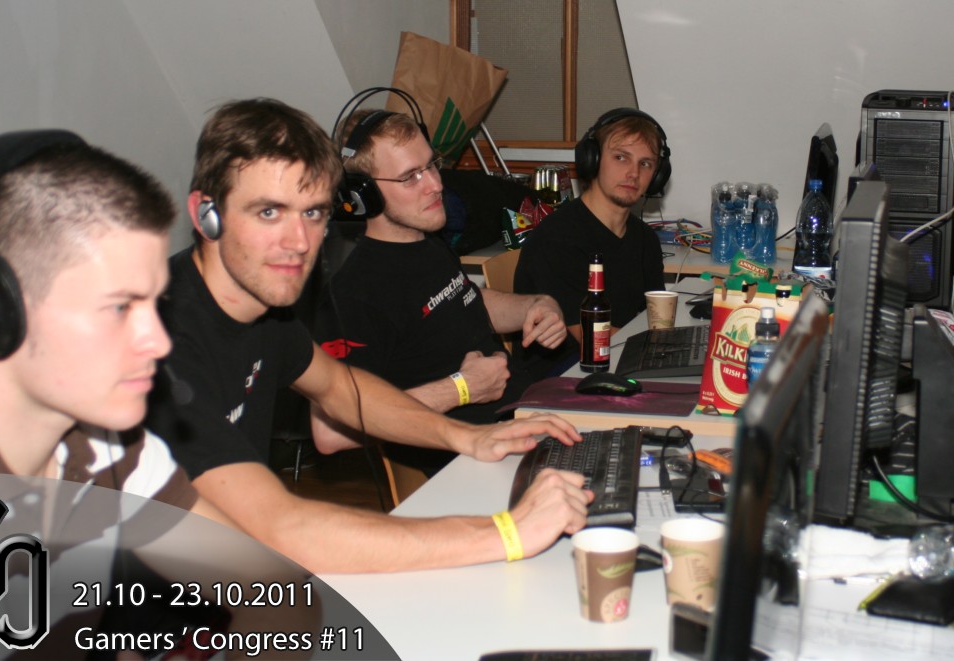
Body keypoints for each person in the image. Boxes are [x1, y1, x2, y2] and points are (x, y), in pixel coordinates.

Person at [143, 98, 591, 574]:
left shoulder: (265, 309)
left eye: (313, 213)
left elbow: (343, 389)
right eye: (269, 212)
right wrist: (508, 532)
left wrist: (468, 437)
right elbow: (282, 527)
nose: (299, 243)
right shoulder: (157, 344)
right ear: (205, 214)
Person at [0, 130, 253, 657]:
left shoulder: (109, 445)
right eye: (120, 307)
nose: (159, 342)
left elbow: (268, 592)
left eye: (155, 304)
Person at [316, 109, 568, 478]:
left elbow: (464, 301)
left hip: (523, 422)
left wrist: (538, 304)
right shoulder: (354, 293)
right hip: (469, 463)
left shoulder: (425, 240)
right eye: (410, 177)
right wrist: (462, 389)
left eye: (431, 165)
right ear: (362, 194)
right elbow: (330, 433)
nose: (435, 184)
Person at [514, 108, 670, 373]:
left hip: (618, 362)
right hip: (563, 374)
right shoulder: (557, 239)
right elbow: (594, 339)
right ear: (592, 160)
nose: (633, 173)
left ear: (657, 175)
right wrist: (666, 350)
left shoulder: (645, 239)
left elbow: (655, 318)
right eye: (621, 157)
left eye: (645, 164)